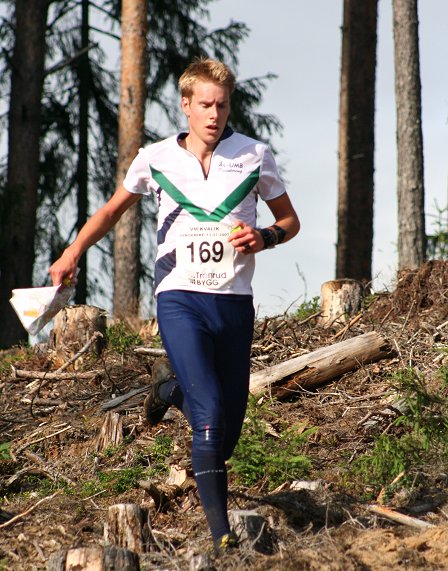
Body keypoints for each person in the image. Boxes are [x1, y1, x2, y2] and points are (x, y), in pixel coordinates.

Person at [49, 58, 300, 556]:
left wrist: (265, 236)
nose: (214, 114)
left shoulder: (254, 155)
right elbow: (111, 211)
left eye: (222, 105)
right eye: (205, 104)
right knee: (207, 414)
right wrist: (73, 251)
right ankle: (222, 536)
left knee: (225, 433)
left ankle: (166, 389)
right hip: (180, 298)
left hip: (233, 303)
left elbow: (290, 221)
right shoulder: (157, 158)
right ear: (185, 105)